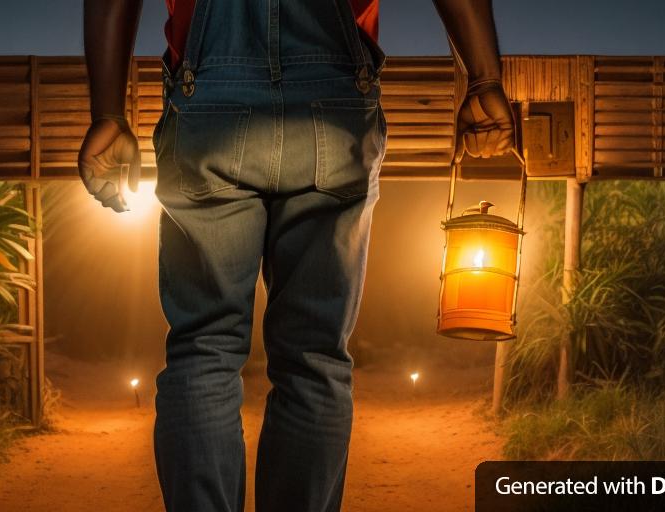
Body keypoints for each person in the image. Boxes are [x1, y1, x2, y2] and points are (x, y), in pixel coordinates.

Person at [78, 1, 514, 510]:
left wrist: (109, 113)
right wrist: (483, 80)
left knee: (204, 351)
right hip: (334, 108)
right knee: (314, 358)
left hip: (210, 104)